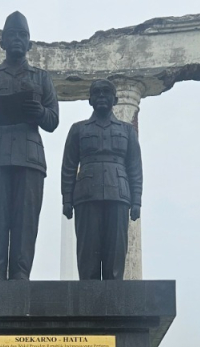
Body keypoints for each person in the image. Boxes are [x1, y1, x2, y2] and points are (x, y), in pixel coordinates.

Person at [0, 11, 59, 280]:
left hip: (29, 157)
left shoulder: (42, 78)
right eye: (12, 35)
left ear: (29, 44)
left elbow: (53, 120)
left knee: (25, 222)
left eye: (23, 35)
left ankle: (20, 276)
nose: (17, 39)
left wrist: (39, 112)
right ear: (2, 42)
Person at [60, 78, 143, 280]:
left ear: (115, 99)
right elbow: (69, 166)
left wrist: (136, 201)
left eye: (106, 92)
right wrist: (67, 200)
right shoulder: (78, 129)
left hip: (119, 195)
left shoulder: (127, 130)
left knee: (116, 254)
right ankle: (88, 293)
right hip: (86, 195)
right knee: (87, 254)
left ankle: (114, 294)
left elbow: (134, 167)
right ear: (90, 100)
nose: (101, 96)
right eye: (96, 93)